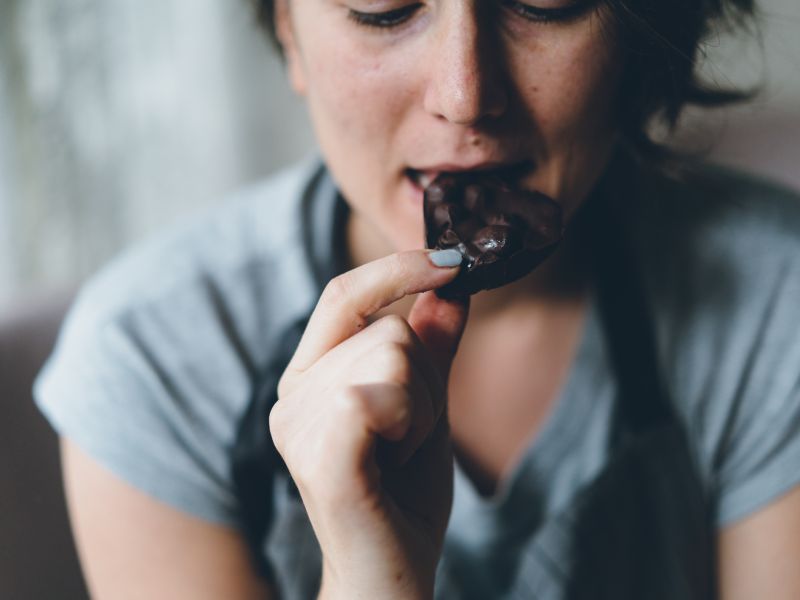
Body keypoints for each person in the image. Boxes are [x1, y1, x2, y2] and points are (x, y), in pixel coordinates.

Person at [34, 0, 800, 597]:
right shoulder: (151, 359)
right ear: (289, 32)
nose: (465, 95)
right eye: (382, 8)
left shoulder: (775, 302)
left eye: (546, 4)